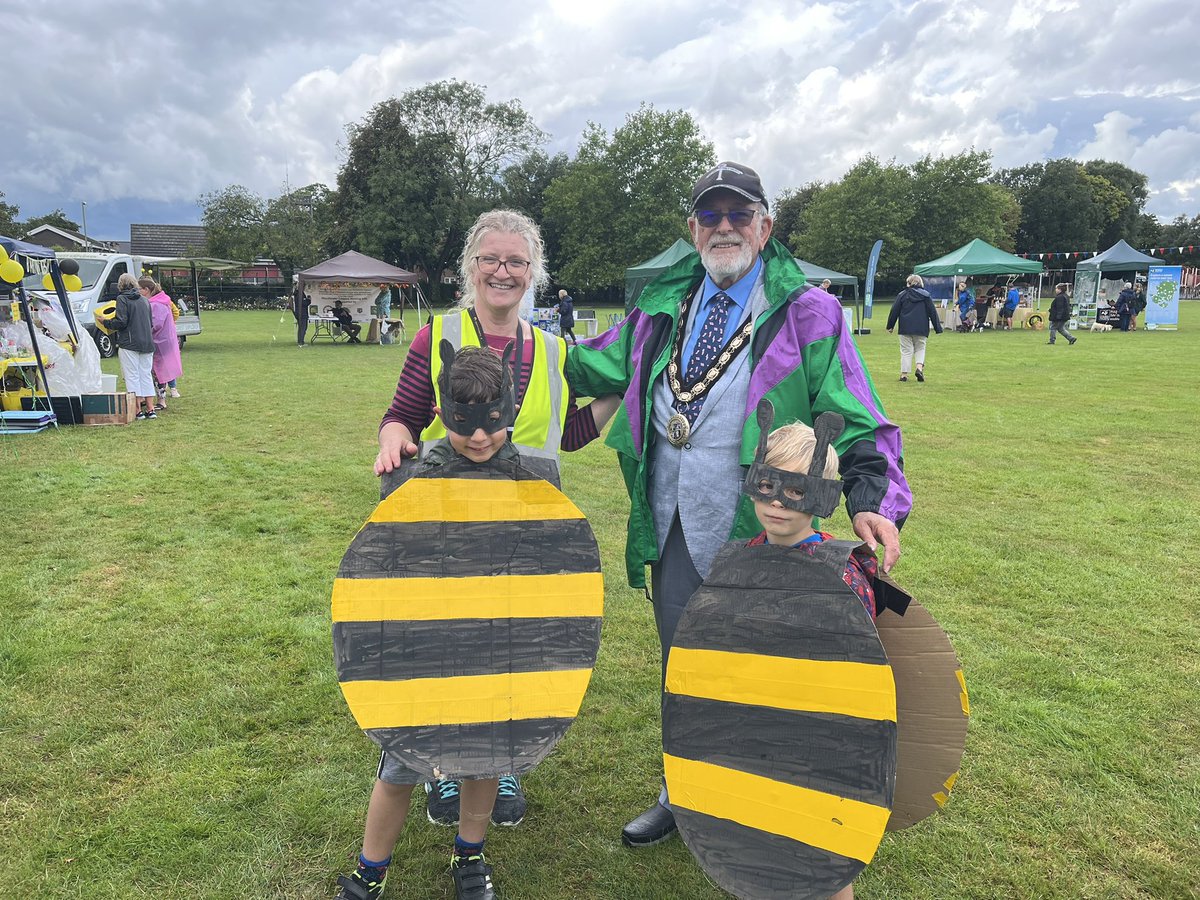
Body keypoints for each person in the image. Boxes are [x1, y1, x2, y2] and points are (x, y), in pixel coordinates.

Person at [563, 160, 910, 849]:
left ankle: (760, 802)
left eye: (739, 214)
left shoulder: (809, 310)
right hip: (671, 524)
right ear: (693, 230)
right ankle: (681, 792)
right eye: (711, 216)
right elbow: (585, 364)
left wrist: (874, 499)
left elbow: (857, 412)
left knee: (763, 667)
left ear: (765, 225)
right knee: (682, 662)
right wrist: (507, 338)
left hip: (763, 527)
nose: (725, 227)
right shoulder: (662, 307)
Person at [374, 208, 620, 831]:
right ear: (471, 268)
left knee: (508, 643)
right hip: (444, 523)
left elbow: (564, 433)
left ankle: (495, 760)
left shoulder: (553, 349)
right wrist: (391, 439)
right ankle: (440, 767)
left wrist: (626, 390)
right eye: (490, 260)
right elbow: (402, 412)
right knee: (443, 641)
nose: (502, 271)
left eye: (515, 261)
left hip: (521, 528)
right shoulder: (437, 333)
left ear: (532, 271)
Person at [336, 346, 518, 900]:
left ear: (510, 408)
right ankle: (372, 868)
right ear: (442, 413)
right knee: (401, 766)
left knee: (486, 757)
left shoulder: (536, 482)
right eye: (465, 424)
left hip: (495, 652)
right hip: (426, 654)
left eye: (492, 422)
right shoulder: (410, 481)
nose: (480, 437)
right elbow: (387, 572)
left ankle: (470, 854)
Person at [105, 273, 157, 420]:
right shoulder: (145, 300)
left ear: (120, 285)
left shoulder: (122, 299)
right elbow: (150, 323)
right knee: (145, 375)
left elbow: (121, 322)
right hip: (147, 342)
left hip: (129, 343)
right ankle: (151, 409)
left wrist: (106, 322)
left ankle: (137, 410)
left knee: (132, 375)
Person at [887, 273, 943, 382]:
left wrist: (890, 325)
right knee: (920, 348)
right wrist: (937, 327)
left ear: (909, 283)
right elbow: (932, 312)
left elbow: (894, 310)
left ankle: (904, 374)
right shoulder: (926, 296)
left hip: (905, 327)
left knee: (906, 350)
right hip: (921, 327)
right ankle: (919, 368)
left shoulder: (902, 295)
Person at [138, 277, 182, 407]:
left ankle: (161, 401)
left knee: (157, 372)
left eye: (139, 289)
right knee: (157, 371)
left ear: (146, 290)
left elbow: (155, 324)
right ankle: (153, 398)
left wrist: (142, 330)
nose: (138, 291)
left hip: (159, 343)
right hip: (163, 341)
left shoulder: (156, 304)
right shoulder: (162, 301)